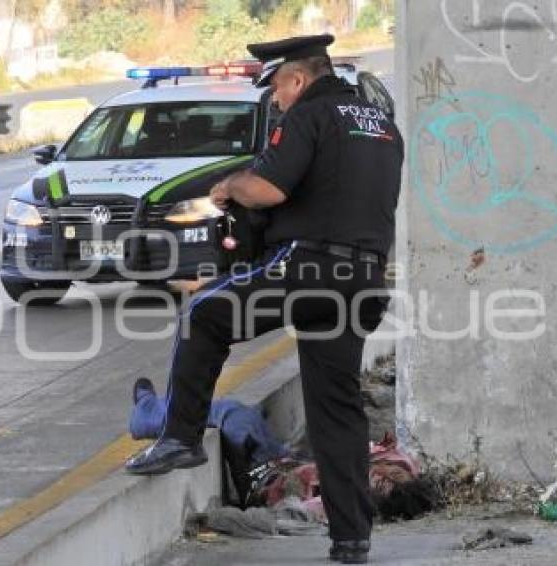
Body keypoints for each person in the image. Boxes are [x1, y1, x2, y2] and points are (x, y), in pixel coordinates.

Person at [124, 34, 404, 564]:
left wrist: (230, 187)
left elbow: (270, 189)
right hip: (364, 278)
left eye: (276, 88)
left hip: (311, 267)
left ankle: (180, 437)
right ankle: (351, 540)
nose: (275, 100)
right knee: (336, 410)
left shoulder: (307, 115)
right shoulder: (381, 125)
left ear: (298, 79)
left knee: (204, 312)